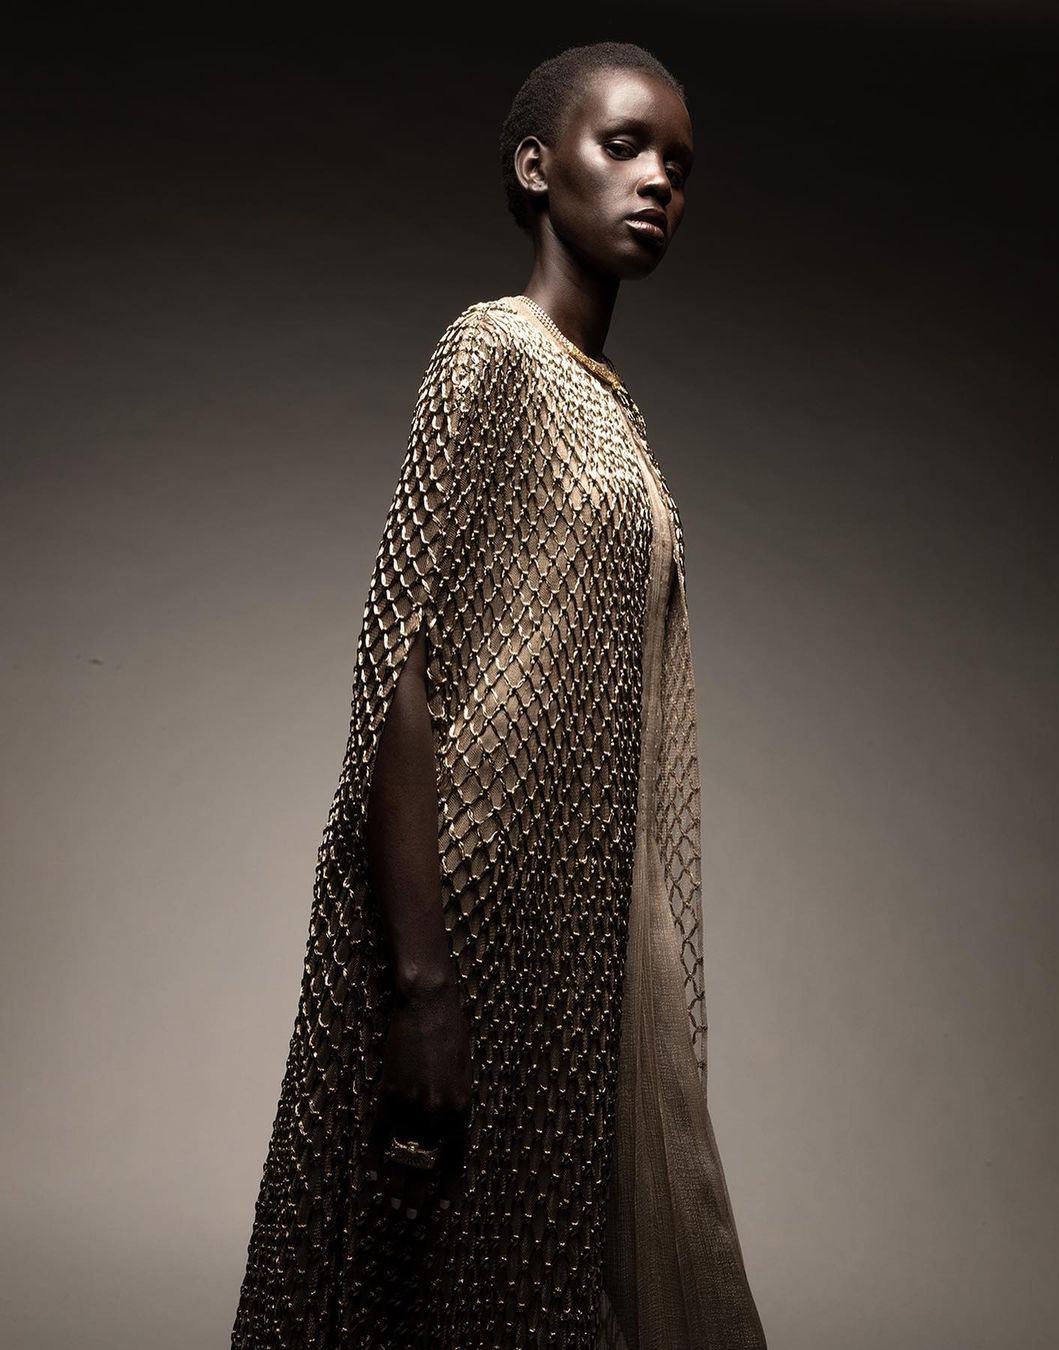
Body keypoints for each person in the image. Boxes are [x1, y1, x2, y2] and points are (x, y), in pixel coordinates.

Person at [233, 40, 768, 1349]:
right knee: (427, 1285)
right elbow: (399, 669)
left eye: (679, 167)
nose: (658, 183)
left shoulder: (619, 420)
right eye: (624, 145)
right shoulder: (492, 352)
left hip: (574, 935)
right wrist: (423, 979)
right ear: (536, 166)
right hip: (463, 916)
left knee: (540, 1281)